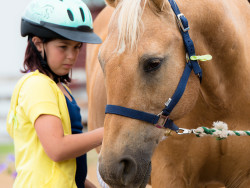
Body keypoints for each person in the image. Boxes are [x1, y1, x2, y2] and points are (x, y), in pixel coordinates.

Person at [6, 0, 103, 187]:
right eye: (63, 47)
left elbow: (68, 170)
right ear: (38, 43)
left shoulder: (59, 88)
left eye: (76, 47)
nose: (72, 56)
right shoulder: (37, 86)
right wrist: (108, 132)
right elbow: (57, 148)